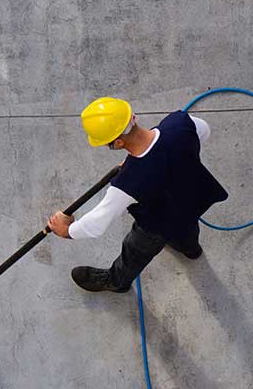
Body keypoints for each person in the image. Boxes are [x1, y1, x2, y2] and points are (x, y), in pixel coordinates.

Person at [47, 96, 228, 293]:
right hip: (191, 199)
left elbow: (95, 225)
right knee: (186, 228)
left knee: (134, 251)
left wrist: (67, 230)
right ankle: (192, 250)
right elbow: (203, 131)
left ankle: (117, 282)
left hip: (157, 225)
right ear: (133, 117)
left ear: (117, 143)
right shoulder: (179, 124)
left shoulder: (126, 184)